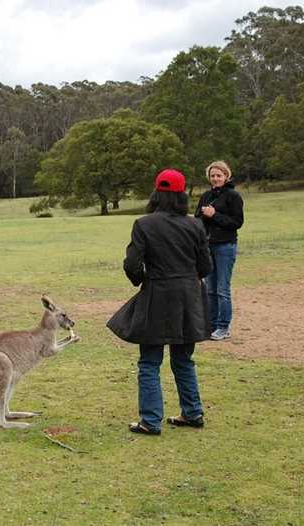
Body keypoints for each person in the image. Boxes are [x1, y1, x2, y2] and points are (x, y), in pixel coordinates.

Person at [107, 169, 211, 436]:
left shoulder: (144, 224)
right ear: (181, 195)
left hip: (158, 294)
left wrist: (143, 279)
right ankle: (193, 411)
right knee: (183, 359)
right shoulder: (195, 225)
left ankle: (150, 421)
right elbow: (206, 265)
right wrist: (187, 279)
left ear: (156, 193)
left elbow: (132, 263)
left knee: (150, 361)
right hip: (189, 296)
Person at [195, 161, 244, 341]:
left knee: (222, 288)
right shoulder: (206, 196)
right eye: (213, 176)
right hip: (208, 246)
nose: (215, 179)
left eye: (219, 175)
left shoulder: (233, 197)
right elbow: (197, 218)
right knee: (209, 288)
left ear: (226, 176)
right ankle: (211, 324)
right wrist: (204, 217)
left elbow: (237, 222)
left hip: (225, 246)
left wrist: (214, 215)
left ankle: (223, 326)